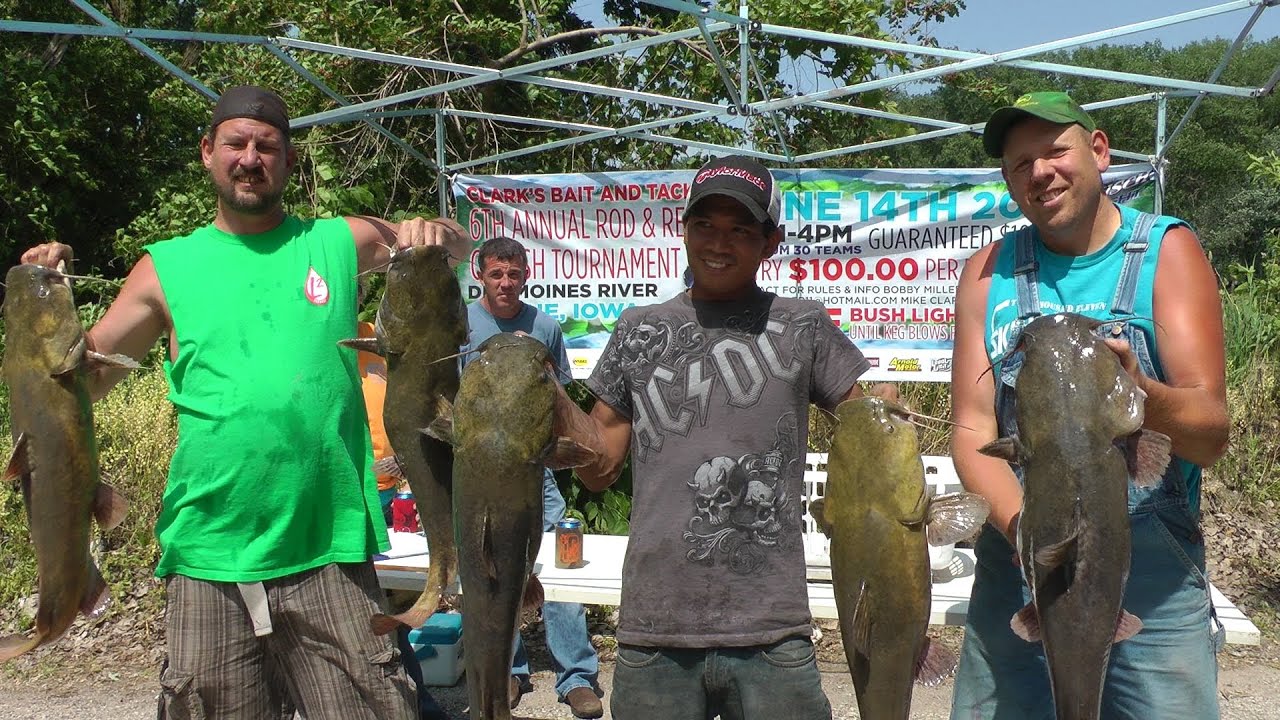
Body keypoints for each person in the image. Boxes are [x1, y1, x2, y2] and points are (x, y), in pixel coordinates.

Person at [20, 85, 471, 720]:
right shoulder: (164, 268)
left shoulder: (338, 241)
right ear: (208, 152)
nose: (250, 158)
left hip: (328, 546)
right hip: (209, 549)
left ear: (288, 161)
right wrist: (49, 298)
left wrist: (433, 233)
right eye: (236, 143)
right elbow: (78, 386)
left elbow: (459, 249)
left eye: (267, 146)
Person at [573, 155, 890, 720]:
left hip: (771, 627)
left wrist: (890, 416)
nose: (719, 243)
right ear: (684, 230)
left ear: (771, 242)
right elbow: (597, 470)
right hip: (657, 626)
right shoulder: (639, 328)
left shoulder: (803, 325)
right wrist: (546, 397)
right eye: (705, 226)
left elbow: (873, 428)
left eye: (740, 230)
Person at [948, 91, 1230, 719]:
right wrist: (1027, 531)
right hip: (1020, 559)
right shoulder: (986, 272)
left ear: (1098, 150)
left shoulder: (1167, 252)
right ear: (1008, 182)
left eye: (1055, 151)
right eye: (1021, 165)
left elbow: (1211, 433)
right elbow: (972, 428)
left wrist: (1143, 398)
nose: (1040, 172)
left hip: (1151, 578)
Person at [462, 235, 605, 720]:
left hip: (534, 474)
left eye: (514, 274)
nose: (506, 283)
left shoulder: (543, 326)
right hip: (479, 479)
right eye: (497, 274)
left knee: (563, 566)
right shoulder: (461, 326)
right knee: (490, 574)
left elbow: (557, 401)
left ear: (527, 275)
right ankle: (509, 672)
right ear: (480, 274)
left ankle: (578, 677)